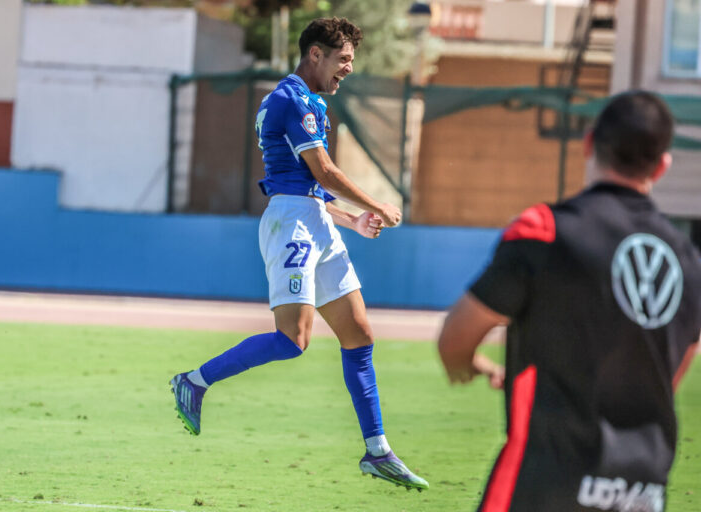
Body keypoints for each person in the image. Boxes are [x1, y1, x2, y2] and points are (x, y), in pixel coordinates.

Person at [170, 17, 428, 491]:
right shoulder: (291, 99)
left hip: (313, 220)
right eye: (343, 59)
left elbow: (311, 184)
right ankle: (195, 380)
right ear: (316, 54)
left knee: (359, 334)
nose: (347, 69)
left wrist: (352, 222)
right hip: (292, 225)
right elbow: (324, 173)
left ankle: (377, 451)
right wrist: (377, 204)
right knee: (293, 339)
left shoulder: (308, 102)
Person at [437, 90, 701, 511]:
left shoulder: (543, 231)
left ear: (589, 143)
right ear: (663, 165)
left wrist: (466, 364)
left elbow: (455, 341)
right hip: (642, 492)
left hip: (545, 484)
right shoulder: (689, 263)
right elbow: (668, 374)